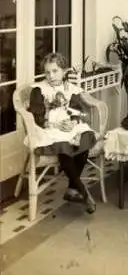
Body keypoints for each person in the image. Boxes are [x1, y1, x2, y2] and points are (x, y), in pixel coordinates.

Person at [27, 52, 97, 214]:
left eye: (55, 71)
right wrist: (55, 124)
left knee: (83, 138)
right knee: (64, 146)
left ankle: (72, 189)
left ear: (64, 71)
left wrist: (73, 121)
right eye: (47, 72)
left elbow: (77, 110)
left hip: (68, 126)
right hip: (50, 127)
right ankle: (82, 190)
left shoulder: (70, 89)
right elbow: (36, 118)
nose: (51, 76)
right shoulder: (39, 90)